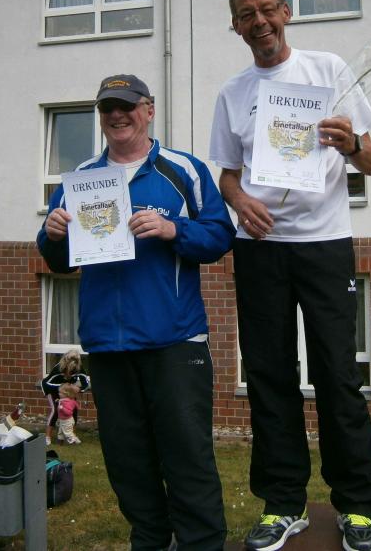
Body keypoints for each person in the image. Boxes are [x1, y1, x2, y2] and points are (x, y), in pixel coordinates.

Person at [209, 0, 371, 551]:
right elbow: (227, 176)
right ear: (236, 26)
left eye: (267, 10)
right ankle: (283, 503)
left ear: (286, 12)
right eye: (247, 15)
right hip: (260, 249)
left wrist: (349, 143)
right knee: (269, 376)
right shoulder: (233, 93)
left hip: (325, 244)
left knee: (337, 373)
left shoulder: (329, 71)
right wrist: (240, 203)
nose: (259, 22)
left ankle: (357, 505)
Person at [37, 74, 235, 551]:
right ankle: (150, 539)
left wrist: (174, 230)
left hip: (175, 341)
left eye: (126, 106)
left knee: (187, 456)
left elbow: (220, 236)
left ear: (148, 110)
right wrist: (52, 234)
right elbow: (59, 259)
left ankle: (201, 544)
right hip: (108, 344)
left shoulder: (182, 170)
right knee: (127, 461)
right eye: (107, 108)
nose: (117, 115)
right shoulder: (82, 178)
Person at [40, 349, 90, 446]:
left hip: (67, 391)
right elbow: (46, 384)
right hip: (52, 389)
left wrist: (79, 389)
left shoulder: (79, 367)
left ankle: (72, 435)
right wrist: (63, 387)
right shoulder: (58, 368)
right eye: (69, 370)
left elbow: (85, 383)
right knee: (55, 411)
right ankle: (47, 436)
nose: (70, 373)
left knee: (73, 409)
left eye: (73, 370)